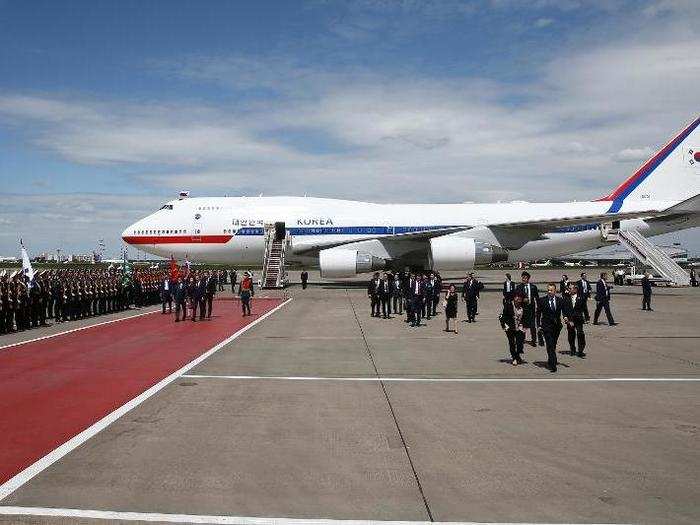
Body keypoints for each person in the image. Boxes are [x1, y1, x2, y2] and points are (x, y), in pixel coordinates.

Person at [537, 283, 563, 372]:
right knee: (550, 345)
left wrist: (567, 318)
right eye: (548, 290)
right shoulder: (542, 300)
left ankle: (550, 359)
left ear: (555, 291)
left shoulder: (560, 300)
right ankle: (553, 365)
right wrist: (539, 325)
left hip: (556, 327)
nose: (549, 291)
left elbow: (565, 310)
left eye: (551, 290)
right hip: (546, 326)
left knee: (553, 345)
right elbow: (538, 314)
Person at [499, 292, 526, 365]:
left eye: (519, 297)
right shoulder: (509, 305)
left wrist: (525, 326)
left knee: (520, 343)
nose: (518, 298)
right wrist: (504, 326)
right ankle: (514, 358)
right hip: (510, 327)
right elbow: (502, 316)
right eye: (516, 297)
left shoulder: (523, 306)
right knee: (512, 343)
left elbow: (526, 317)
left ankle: (517, 355)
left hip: (520, 327)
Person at [563, 282, 586, 357]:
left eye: (570, 288)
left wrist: (587, 317)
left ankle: (580, 350)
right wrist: (566, 318)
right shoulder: (566, 298)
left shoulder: (581, 297)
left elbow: (584, 308)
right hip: (570, 319)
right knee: (571, 335)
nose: (569, 290)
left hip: (578, 319)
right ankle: (572, 349)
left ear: (575, 289)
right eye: (568, 288)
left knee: (580, 334)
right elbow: (564, 309)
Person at [515, 271, 539, 346]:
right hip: (522, 309)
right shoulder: (519, 287)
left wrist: (538, 308)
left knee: (532, 326)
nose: (524, 279)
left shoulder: (533, 287)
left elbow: (537, 298)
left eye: (525, 278)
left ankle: (534, 340)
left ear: (528, 279)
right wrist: (522, 300)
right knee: (522, 325)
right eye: (523, 278)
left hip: (531, 309)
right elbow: (516, 298)